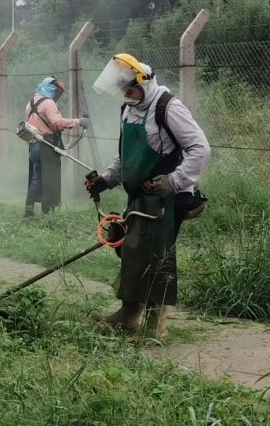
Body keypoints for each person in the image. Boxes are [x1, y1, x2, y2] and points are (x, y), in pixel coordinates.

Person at [86, 53, 209, 342]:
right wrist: (107, 179)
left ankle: (157, 328)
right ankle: (128, 316)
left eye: (130, 89)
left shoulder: (168, 108)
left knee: (157, 258)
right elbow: (125, 154)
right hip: (140, 197)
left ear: (144, 81)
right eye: (122, 91)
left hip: (166, 198)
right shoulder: (129, 109)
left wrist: (175, 181)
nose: (126, 95)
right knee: (133, 253)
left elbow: (200, 149)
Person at [22, 77, 91, 216]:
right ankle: (48, 212)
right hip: (46, 145)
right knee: (50, 178)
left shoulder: (30, 103)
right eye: (57, 90)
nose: (57, 94)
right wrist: (79, 121)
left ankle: (28, 210)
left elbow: (28, 123)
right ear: (51, 88)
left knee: (36, 178)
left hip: (33, 145)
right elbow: (57, 122)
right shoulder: (48, 103)